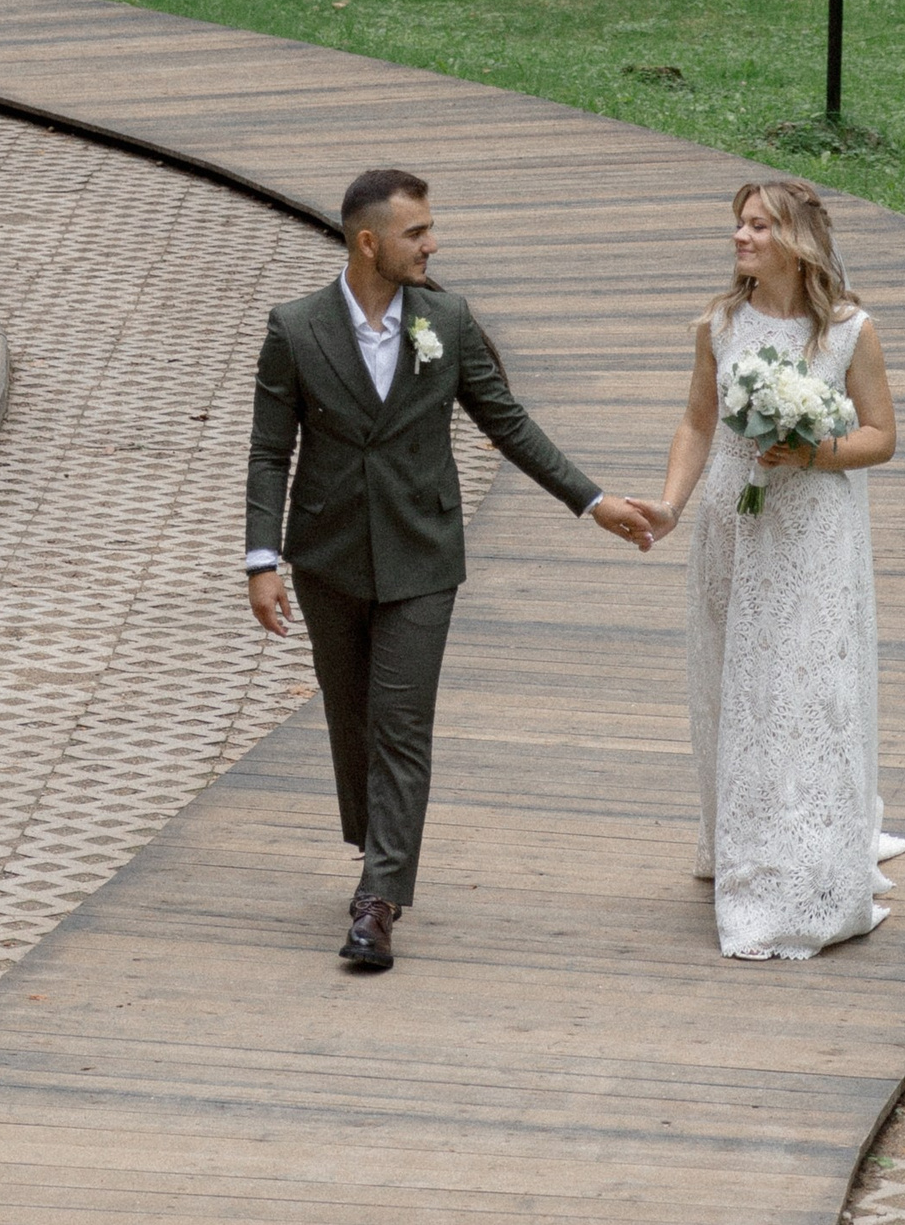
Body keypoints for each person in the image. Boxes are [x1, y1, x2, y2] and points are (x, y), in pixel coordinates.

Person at [245, 163, 659, 972]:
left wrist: (593, 499)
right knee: (353, 718)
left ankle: (378, 900)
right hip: (327, 556)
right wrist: (262, 558)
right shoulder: (295, 328)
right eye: (416, 232)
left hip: (423, 556)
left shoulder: (450, 319)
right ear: (369, 242)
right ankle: (380, 850)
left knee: (401, 724)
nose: (433, 244)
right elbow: (270, 451)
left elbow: (508, 422)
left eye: (430, 229)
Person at [633, 175, 905, 960]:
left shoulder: (850, 331)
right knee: (738, 681)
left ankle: (811, 856)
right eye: (739, 225)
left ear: (796, 239)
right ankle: (744, 840)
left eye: (756, 226)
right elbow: (696, 420)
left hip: (813, 530)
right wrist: (672, 505)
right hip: (733, 521)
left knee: (802, 684)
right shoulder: (720, 323)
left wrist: (813, 449)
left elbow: (882, 436)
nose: (740, 238)